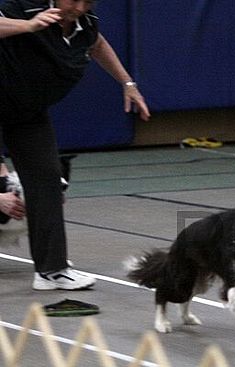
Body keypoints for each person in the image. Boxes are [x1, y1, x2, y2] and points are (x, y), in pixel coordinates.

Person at [0, 0, 150, 290]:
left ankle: (51, 271)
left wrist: (127, 83)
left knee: (47, 180)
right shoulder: (23, 5)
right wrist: (28, 26)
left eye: (88, 1)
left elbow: (96, 44)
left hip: (27, 108)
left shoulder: (86, 24)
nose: (80, 7)